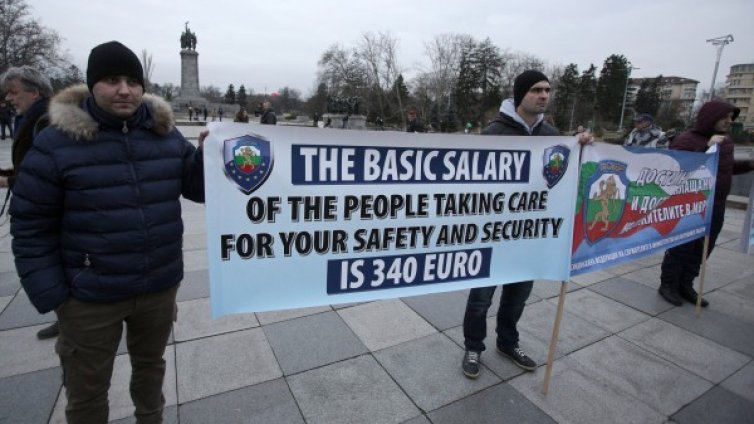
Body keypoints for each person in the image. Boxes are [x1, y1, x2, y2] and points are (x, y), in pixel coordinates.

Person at [9, 41, 205, 423]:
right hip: (89, 296)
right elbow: (30, 226)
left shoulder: (165, 136)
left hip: (157, 287)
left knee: (151, 372)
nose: (125, 90)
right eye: (112, 80)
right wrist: (56, 297)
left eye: (133, 81)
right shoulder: (55, 143)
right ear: (92, 84)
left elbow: (197, 189)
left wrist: (210, 157)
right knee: (86, 389)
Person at [461, 70, 590, 379]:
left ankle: (508, 342)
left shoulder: (554, 136)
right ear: (521, 95)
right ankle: (473, 346)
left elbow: (567, 178)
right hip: (493, 235)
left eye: (547, 90)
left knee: (517, 297)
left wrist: (583, 147)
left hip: (530, 238)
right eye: (536, 90)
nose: (544, 95)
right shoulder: (494, 135)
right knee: (481, 298)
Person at [658, 100, 754, 307]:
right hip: (691, 204)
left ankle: (686, 284)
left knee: (703, 248)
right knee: (682, 247)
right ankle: (668, 284)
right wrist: (706, 148)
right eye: (725, 117)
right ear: (711, 117)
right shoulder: (687, 140)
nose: (729, 121)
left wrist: (748, 165)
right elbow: (675, 168)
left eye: (732, 117)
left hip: (716, 205)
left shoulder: (726, 142)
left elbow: (725, 168)